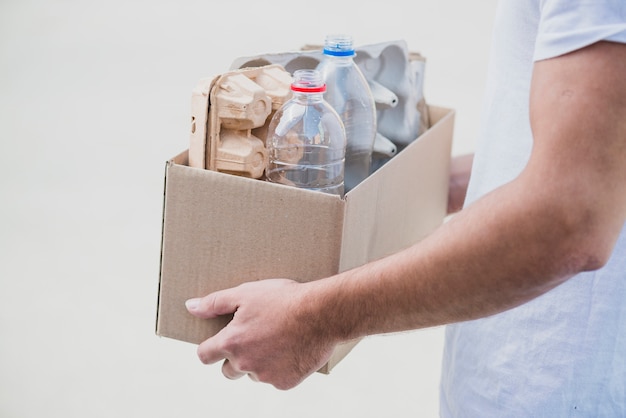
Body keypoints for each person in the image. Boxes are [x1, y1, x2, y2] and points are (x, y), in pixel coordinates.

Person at [184, 1, 626, 415]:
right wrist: (417, 186)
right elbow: (592, 159)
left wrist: (313, 318)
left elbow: (568, 220)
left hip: (560, 388)